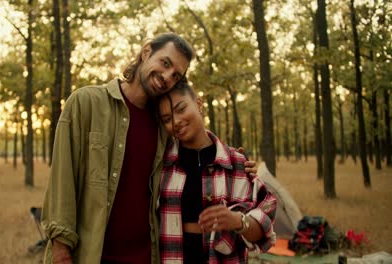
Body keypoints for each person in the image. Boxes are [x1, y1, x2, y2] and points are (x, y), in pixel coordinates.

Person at [41, 32, 256, 264]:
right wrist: (61, 252)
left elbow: (197, 159)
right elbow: (62, 183)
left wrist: (237, 165)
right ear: (146, 52)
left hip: (148, 256)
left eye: (176, 75)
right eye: (165, 63)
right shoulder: (86, 103)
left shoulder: (165, 127)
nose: (166, 77)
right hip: (91, 255)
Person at [157, 81, 277, 264]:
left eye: (181, 109)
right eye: (167, 119)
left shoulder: (236, 163)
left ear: (198, 104)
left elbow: (264, 224)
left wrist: (238, 221)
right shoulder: (161, 166)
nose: (176, 121)